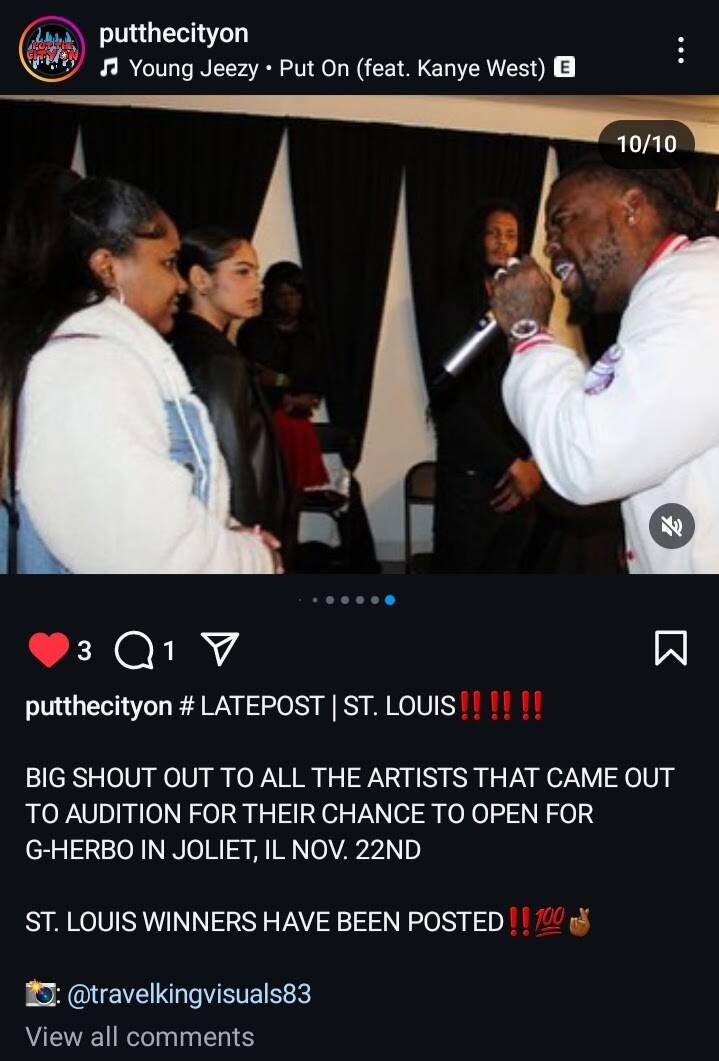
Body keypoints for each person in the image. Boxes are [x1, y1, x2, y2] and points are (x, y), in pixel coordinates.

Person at [0, 165, 279, 574]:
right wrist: (256, 559)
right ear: (107, 268)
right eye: (168, 263)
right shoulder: (87, 370)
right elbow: (148, 552)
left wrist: (228, 534)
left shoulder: (100, 359)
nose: (179, 284)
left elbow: (149, 504)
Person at [492, 160, 719, 574]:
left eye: (563, 221)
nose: (550, 247)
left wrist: (528, 332)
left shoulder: (696, 293)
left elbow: (587, 457)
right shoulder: (679, 287)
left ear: (631, 207)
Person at [428, 200, 541, 573]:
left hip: (520, 482)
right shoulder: (454, 305)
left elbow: (536, 387)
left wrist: (532, 465)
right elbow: (450, 401)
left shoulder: (527, 307)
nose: (502, 242)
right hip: (471, 481)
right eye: (493, 233)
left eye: (511, 235)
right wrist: (510, 464)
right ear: (477, 238)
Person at [171, 227, 288, 543]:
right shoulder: (217, 359)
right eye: (242, 272)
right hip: (233, 532)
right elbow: (227, 461)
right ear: (200, 278)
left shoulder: (188, 341)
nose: (257, 284)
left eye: (256, 273)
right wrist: (249, 539)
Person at [238, 260, 329, 491]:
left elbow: (317, 379)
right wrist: (285, 390)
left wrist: (289, 388)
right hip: (264, 421)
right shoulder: (254, 331)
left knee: (296, 493)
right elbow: (253, 377)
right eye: (282, 295)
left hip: (298, 420)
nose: (289, 301)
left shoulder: (312, 333)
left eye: (294, 294)